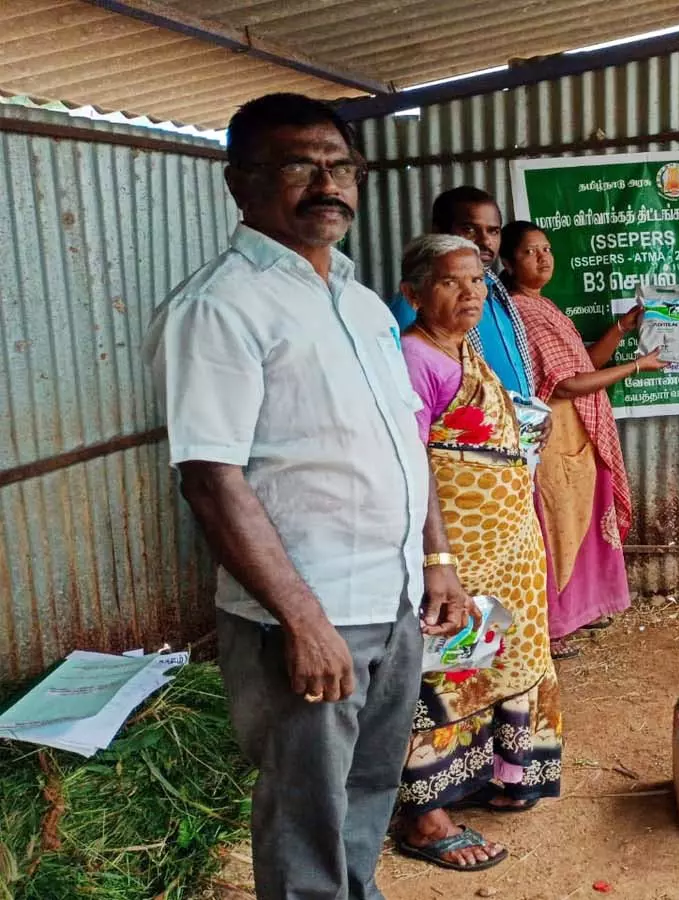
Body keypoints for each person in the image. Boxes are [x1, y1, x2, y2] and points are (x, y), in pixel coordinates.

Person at [144, 93, 469, 900]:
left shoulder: (361, 304)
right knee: (305, 814)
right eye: (299, 165)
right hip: (306, 616)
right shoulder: (219, 307)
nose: (328, 184)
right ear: (241, 182)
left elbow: (405, 441)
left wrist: (436, 560)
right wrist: (303, 619)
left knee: (366, 793)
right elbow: (210, 478)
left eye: (340, 166)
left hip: (391, 598)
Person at [390, 234, 564, 871]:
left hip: (506, 543)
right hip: (456, 549)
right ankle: (424, 815)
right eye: (450, 282)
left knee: (503, 652)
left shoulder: (464, 347)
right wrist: (439, 561)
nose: (470, 293)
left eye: (477, 281)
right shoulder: (415, 357)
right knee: (446, 664)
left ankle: (500, 772)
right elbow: (413, 460)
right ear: (412, 295)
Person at [499, 222, 666, 658]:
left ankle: (582, 610)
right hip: (555, 433)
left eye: (547, 249)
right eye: (530, 252)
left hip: (580, 430)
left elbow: (586, 365)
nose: (543, 258)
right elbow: (565, 385)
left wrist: (622, 328)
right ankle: (552, 626)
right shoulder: (520, 311)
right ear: (508, 262)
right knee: (556, 528)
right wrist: (637, 367)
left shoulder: (544, 305)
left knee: (583, 523)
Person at [388, 186, 537, 399]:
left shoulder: (494, 290)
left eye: (493, 231)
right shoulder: (416, 305)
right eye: (469, 229)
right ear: (439, 231)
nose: (485, 241)